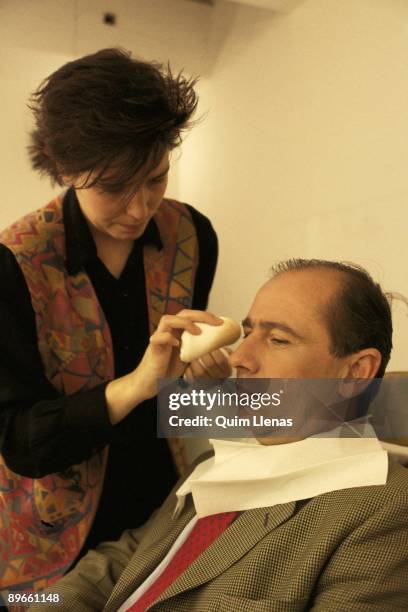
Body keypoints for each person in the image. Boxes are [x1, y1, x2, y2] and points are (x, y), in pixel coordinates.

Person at [28, 259, 408, 611]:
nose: (240, 356)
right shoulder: (217, 462)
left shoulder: (385, 511)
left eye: (278, 340)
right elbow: (122, 560)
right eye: (248, 333)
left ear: (357, 372)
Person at [0, 48, 228, 594]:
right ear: (65, 169)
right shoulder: (16, 262)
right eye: (113, 187)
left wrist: (201, 384)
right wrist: (136, 387)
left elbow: (177, 403)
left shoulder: (193, 237)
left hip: (160, 505)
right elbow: (21, 440)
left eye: (155, 179)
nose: (138, 207)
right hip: (47, 539)